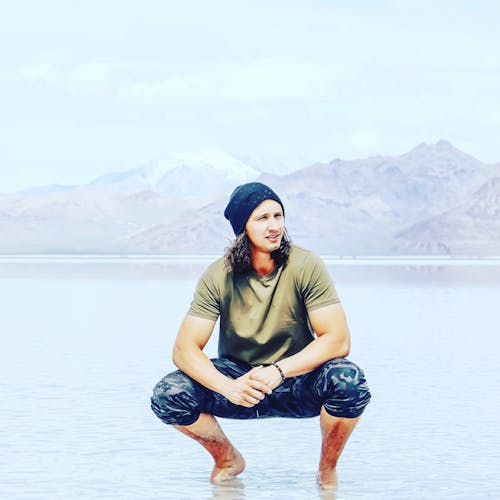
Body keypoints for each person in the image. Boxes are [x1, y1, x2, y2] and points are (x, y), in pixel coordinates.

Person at [150, 182, 371, 488]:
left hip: (297, 379)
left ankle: (327, 470)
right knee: (168, 395)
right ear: (243, 228)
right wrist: (228, 387)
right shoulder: (219, 275)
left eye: (278, 216)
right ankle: (226, 458)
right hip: (240, 382)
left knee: (349, 381)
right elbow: (184, 350)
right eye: (262, 218)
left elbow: (338, 339)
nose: (274, 226)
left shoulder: (305, 264)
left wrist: (280, 371)